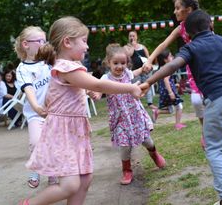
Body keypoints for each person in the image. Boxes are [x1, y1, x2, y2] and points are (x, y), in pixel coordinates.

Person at [140, 9, 222, 205]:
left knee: (215, 149)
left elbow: (172, 66)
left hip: (218, 98)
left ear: (187, 33)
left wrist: (149, 82)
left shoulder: (191, 47)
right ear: (211, 25)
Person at [19, 16, 142, 205]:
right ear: (67, 42)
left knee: (85, 179)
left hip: (76, 131)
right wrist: (130, 87)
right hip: (63, 133)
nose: (87, 47)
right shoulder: (65, 66)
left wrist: (87, 91)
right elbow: (99, 84)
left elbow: (78, 89)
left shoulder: (72, 67)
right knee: (69, 185)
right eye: (84, 41)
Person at [89, 43, 165, 185]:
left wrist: (144, 68)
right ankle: (127, 170)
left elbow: (137, 72)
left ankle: (154, 154)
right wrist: (95, 95)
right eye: (116, 63)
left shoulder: (127, 74)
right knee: (124, 146)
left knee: (147, 141)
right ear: (108, 63)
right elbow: (98, 93)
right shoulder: (105, 79)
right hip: (119, 118)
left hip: (134, 115)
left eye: (123, 63)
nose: (119, 66)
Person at [142, 0, 205, 146]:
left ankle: (217, 134)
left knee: (212, 101)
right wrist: (150, 59)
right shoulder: (181, 28)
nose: (175, 11)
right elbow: (163, 44)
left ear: (188, 10)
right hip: (194, 68)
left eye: (178, 8)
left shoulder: (204, 23)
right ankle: (206, 132)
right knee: (197, 101)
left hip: (209, 65)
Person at [14, 26, 55, 188]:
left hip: (54, 113)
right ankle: (35, 170)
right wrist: (37, 107)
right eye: (40, 41)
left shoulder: (48, 63)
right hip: (35, 114)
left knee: (53, 144)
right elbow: (29, 89)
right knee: (36, 142)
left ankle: (52, 175)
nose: (44, 44)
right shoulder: (22, 69)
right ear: (26, 45)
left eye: (45, 41)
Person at [152, 49, 186, 130]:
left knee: (171, 110)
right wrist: (171, 92)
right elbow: (166, 80)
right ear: (165, 60)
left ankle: (157, 111)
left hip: (164, 91)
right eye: (170, 56)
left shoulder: (161, 68)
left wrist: (174, 85)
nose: (172, 57)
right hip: (168, 91)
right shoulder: (168, 68)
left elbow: (162, 80)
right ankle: (177, 125)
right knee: (179, 106)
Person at [126, 30, 157, 109]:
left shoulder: (142, 47)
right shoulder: (126, 47)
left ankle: (150, 103)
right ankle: (136, 103)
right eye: (130, 36)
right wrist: (132, 46)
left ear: (137, 37)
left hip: (145, 70)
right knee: (136, 86)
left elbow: (148, 57)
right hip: (135, 71)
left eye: (133, 36)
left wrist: (150, 64)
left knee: (148, 84)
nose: (132, 37)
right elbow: (129, 55)